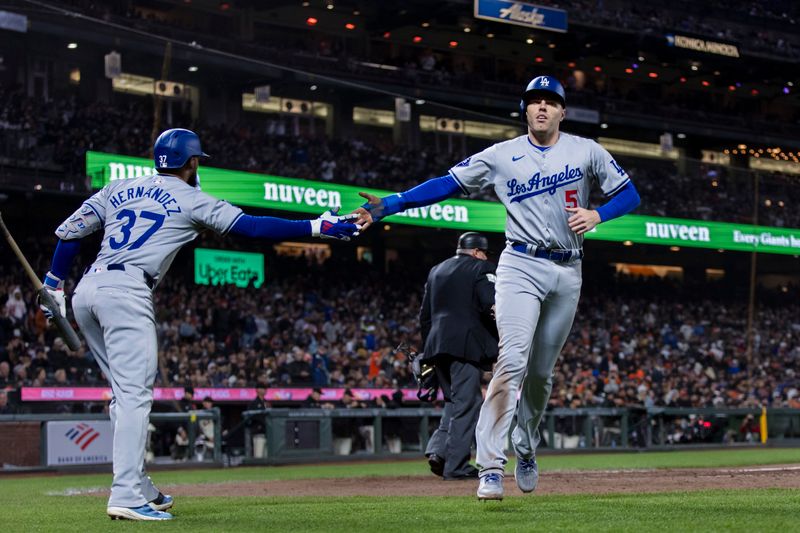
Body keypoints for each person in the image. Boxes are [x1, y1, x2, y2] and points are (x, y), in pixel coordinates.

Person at [38, 128, 361, 521]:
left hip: (87, 289)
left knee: (122, 396)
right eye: (197, 161)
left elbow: (70, 232)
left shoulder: (118, 186)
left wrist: (54, 283)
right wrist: (317, 227)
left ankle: (137, 484)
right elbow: (253, 227)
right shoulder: (191, 198)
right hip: (126, 291)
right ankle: (125, 494)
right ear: (191, 162)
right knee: (135, 395)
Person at [353, 76, 640, 500]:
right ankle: (490, 465)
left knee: (541, 375)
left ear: (563, 111)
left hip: (568, 270)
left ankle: (525, 444)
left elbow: (629, 195)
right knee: (512, 360)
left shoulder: (586, 151)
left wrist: (599, 215)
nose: (542, 108)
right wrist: (391, 204)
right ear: (524, 110)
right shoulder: (501, 155)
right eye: (534, 102)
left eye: (550, 102)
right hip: (520, 263)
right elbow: (446, 184)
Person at [420, 232, 498, 480]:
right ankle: (457, 467)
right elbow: (490, 303)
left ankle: (439, 452)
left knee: (454, 402)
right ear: (476, 251)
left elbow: (425, 315)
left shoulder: (437, 270)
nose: (486, 257)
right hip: (465, 346)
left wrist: (427, 351)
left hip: (436, 344)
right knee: (468, 404)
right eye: (484, 252)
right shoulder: (481, 267)